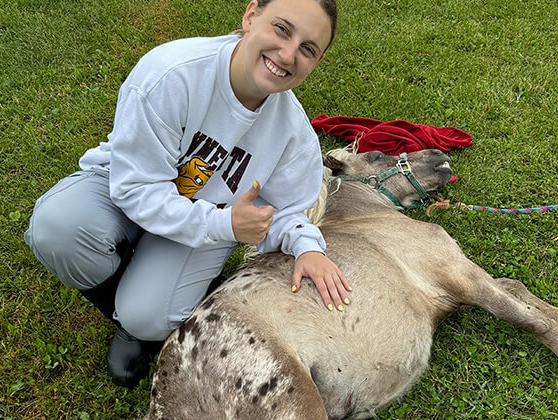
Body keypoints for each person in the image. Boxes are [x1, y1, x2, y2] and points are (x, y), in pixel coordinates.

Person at [24, 0, 350, 387]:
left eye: (308, 48)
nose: (288, 53)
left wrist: (307, 246)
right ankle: (127, 300)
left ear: (317, 62)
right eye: (282, 29)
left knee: (147, 316)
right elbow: (136, 188)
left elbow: (285, 211)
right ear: (250, 16)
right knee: (57, 228)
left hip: (209, 222)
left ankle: (134, 326)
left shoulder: (294, 136)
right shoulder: (172, 73)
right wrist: (222, 222)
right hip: (137, 190)